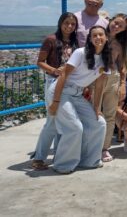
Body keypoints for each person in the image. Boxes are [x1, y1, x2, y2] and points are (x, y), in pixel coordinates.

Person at [40, 25, 110, 174]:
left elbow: (99, 86)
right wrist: (56, 102)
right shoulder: (80, 53)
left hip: (77, 94)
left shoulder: (106, 58)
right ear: (90, 39)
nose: (98, 38)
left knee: (99, 123)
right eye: (94, 35)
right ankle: (63, 165)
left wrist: (97, 109)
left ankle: (90, 160)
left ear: (106, 38)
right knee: (74, 127)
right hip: (62, 91)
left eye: (101, 35)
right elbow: (63, 76)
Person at [31, 12, 79, 170]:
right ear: (60, 23)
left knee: (62, 121)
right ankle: (39, 157)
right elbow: (40, 62)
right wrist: (55, 70)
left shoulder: (74, 41)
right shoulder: (51, 40)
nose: (69, 26)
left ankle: (58, 154)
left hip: (69, 84)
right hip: (53, 82)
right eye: (67, 23)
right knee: (52, 120)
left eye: (73, 24)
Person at [99, 13, 127, 163]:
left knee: (110, 115)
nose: (116, 26)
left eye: (121, 26)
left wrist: (123, 85)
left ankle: (104, 148)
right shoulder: (98, 35)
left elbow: (122, 65)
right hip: (95, 77)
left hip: (112, 77)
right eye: (115, 23)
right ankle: (91, 145)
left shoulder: (119, 44)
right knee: (92, 112)